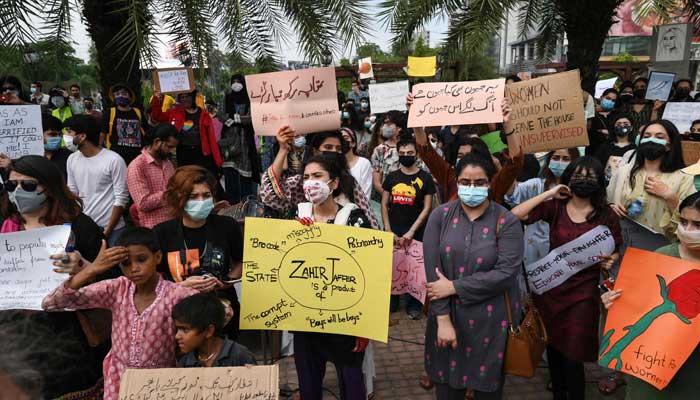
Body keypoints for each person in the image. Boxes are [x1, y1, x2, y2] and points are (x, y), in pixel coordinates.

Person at [42, 227, 218, 400]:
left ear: (157, 257)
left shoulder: (176, 295)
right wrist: (92, 269)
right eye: (126, 263)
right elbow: (52, 302)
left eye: (141, 259)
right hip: (119, 380)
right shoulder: (118, 288)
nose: (134, 268)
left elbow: (221, 313)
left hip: (162, 381)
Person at [511, 156, 622, 400]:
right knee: (554, 350)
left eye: (591, 177)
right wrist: (549, 194)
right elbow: (516, 214)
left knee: (573, 356)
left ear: (600, 182)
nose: (584, 180)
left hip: (583, 296)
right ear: (569, 178)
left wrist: (611, 259)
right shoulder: (555, 207)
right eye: (579, 175)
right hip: (551, 291)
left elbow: (615, 247)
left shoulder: (606, 215)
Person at [1, 155, 109, 398]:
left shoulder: (80, 226)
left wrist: (83, 267)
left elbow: (110, 279)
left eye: (28, 186)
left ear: (48, 188)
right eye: (11, 186)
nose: (18, 192)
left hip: (69, 334)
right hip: (15, 333)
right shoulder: (4, 224)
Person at [423, 152, 524, 399]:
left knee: (488, 388)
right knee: (447, 388)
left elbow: (506, 273)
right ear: (456, 182)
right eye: (465, 182)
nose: (472, 188)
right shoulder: (441, 215)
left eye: (479, 182)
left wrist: (455, 286)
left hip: (491, 323)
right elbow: (433, 275)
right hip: (447, 319)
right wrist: (443, 321)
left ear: (490, 183)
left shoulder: (506, 220)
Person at [602, 191, 700, 399]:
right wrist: (613, 304)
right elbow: (633, 311)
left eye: (697, 225)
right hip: (648, 369)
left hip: (692, 374)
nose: (688, 230)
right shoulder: (662, 256)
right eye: (683, 221)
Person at [293, 155, 371, 399]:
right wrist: (295, 236)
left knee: (351, 382)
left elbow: (368, 272)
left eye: (317, 177)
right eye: (306, 177)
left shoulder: (355, 218)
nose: (310, 183)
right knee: (308, 383)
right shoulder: (295, 216)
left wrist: (364, 325)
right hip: (305, 318)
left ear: (334, 183)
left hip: (344, 319)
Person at [153, 165, 243, 338]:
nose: (201, 201)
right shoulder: (162, 233)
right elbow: (154, 279)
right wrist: (180, 287)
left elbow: (241, 261)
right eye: (193, 196)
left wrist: (227, 282)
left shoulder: (227, 226)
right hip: (179, 316)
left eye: (206, 195)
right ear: (179, 198)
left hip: (223, 312)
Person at [262, 127, 379, 228]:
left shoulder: (348, 182)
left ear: (335, 183)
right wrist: (283, 149)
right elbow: (269, 194)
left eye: (338, 149)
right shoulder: (301, 182)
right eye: (328, 147)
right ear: (315, 151)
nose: (333, 152)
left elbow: (368, 217)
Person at [608, 120, 695, 255]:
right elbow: (606, 202)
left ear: (669, 145)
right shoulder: (624, 172)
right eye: (646, 136)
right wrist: (611, 206)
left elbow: (692, 221)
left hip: (661, 250)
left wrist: (669, 196)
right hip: (623, 245)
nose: (651, 140)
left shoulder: (684, 177)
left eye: (659, 137)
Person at [382, 136, 435, 319]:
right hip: (394, 228)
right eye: (402, 153)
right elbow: (384, 204)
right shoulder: (391, 176)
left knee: (414, 267)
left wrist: (412, 231)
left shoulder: (425, 177)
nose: (406, 156)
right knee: (393, 265)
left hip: (417, 230)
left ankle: (414, 305)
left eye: (410, 153)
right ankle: (392, 300)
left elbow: (428, 207)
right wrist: (388, 229)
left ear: (417, 154)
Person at [505, 148, 580, 266]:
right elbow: (512, 195)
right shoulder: (536, 185)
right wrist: (511, 169)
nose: (560, 162)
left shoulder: (579, 190)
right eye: (555, 158)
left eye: (566, 159)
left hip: (566, 249)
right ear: (548, 161)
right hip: (534, 250)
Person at [65, 115, 129, 245]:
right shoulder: (72, 159)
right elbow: (72, 192)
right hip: (86, 228)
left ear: (82, 136)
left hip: (113, 229)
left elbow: (121, 198)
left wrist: (107, 230)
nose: (66, 136)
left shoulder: (114, 160)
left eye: (69, 132)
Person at [174, 293, 256, 368]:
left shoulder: (240, 356)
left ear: (209, 331)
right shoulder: (185, 362)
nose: (177, 336)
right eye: (177, 329)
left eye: (185, 330)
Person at [219, 73, 262, 203]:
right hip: (229, 139)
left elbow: (252, 116)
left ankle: (247, 205)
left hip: (245, 140)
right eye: (234, 81)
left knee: (245, 173)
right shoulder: (227, 97)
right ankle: (232, 204)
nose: (236, 84)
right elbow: (220, 114)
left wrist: (237, 119)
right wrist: (229, 121)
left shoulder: (249, 98)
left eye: (239, 81)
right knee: (230, 173)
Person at [127, 123, 178, 228]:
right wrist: (171, 193)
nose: (172, 151)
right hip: (153, 228)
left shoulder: (168, 163)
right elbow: (143, 204)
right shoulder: (137, 166)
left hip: (174, 224)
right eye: (169, 146)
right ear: (157, 142)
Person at [101, 83, 147, 165]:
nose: (120, 96)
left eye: (124, 94)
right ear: (114, 98)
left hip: (138, 156)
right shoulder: (109, 113)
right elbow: (102, 133)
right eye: (117, 94)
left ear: (130, 97)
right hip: (116, 157)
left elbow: (146, 131)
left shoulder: (138, 112)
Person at [594, 113, 636, 182]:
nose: (622, 125)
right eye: (618, 124)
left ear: (631, 128)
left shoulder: (635, 148)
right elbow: (597, 167)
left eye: (625, 124)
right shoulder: (604, 147)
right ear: (614, 127)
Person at [342, 127, 373, 201]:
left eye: (345, 138)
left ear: (353, 143)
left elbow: (365, 193)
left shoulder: (363, 163)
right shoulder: (334, 163)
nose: (342, 141)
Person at [588, 88, 619, 156]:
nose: (610, 101)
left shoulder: (617, 116)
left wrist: (607, 132)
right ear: (601, 97)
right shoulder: (591, 114)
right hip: (593, 153)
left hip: (611, 153)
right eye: (608, 98)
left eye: (613, 100)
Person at [41, 113, 72, 179]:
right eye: (53, 134)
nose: (58, 138)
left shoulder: (69, 157)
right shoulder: (28, 159)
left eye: (60, 135)